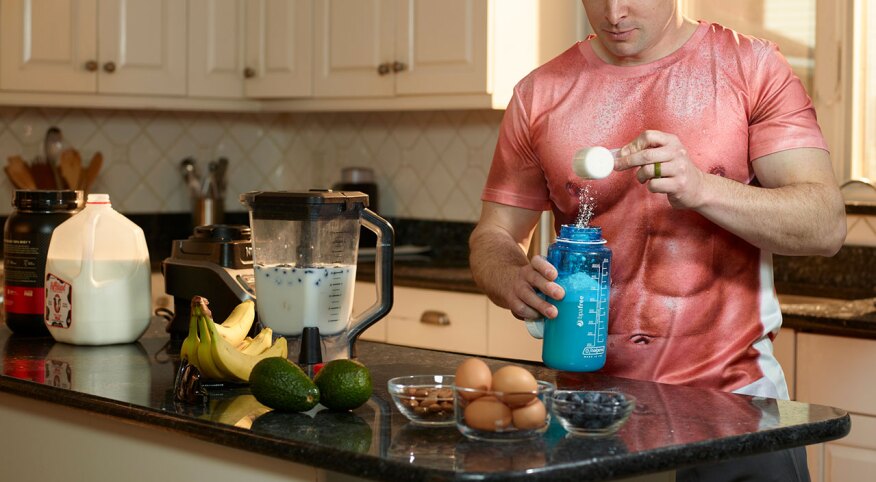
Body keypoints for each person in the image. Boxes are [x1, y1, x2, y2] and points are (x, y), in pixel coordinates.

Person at [469, 1, 845, 480]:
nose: (613, 12)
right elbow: (495, 233)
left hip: (738, 407)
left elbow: (825, 225)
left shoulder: (752, 67)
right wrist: (510, 276)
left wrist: (703, 187)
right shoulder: (539, 93)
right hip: (589, 414)